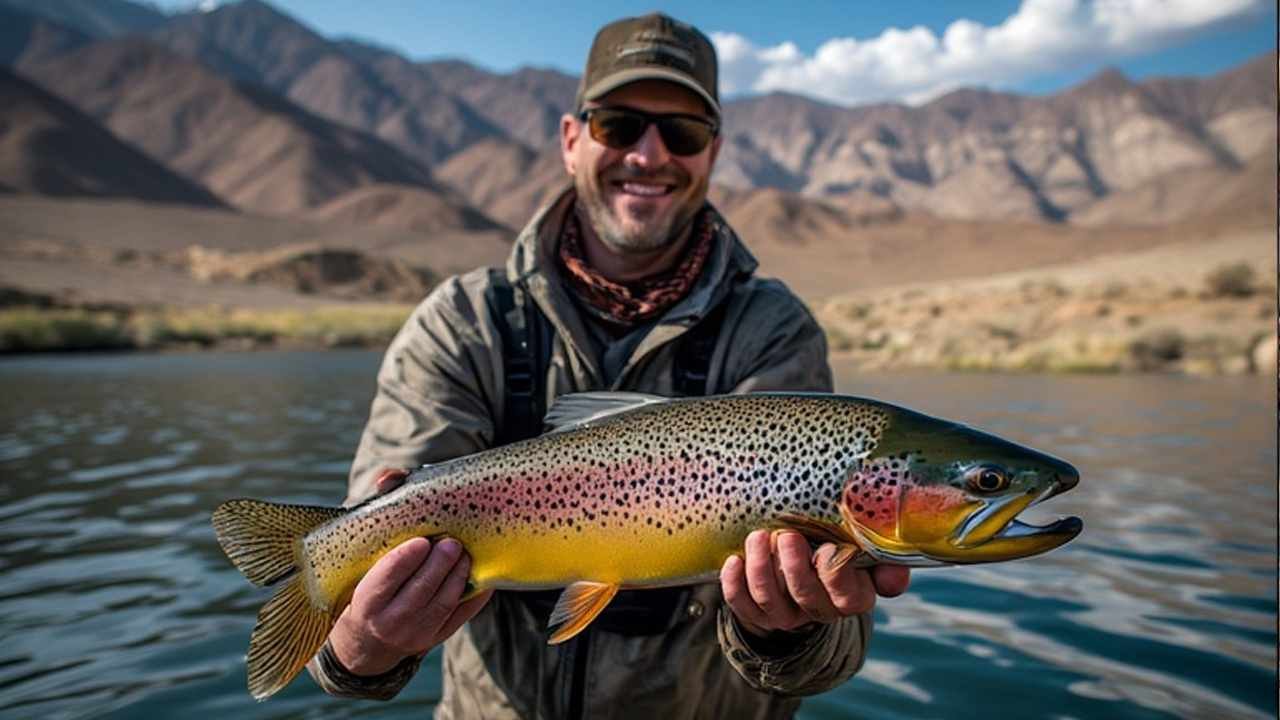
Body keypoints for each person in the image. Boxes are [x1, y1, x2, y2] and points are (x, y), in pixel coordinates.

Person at [307, 13, 909, 718]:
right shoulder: (463, 323)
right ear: (571, 140)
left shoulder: (772, 333)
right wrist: (360, 647)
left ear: (712, 154)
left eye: (682, 134)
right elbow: (345, 640)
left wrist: (786, 633)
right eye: (620, 126)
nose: (650, 156)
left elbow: (836, 651)